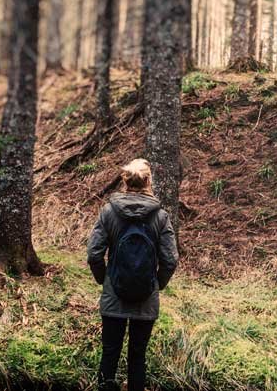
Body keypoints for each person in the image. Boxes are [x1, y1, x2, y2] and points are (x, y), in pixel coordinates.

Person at [86, 159, 179, 391]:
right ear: (149, 181)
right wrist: (158, 284)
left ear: (125, 181)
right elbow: (170, 259)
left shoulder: (109, 212)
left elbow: (94, 254)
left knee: (109, 353)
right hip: (146, 297)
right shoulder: (160, 216)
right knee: (138, 357)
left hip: (113, 295)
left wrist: (105, 279)